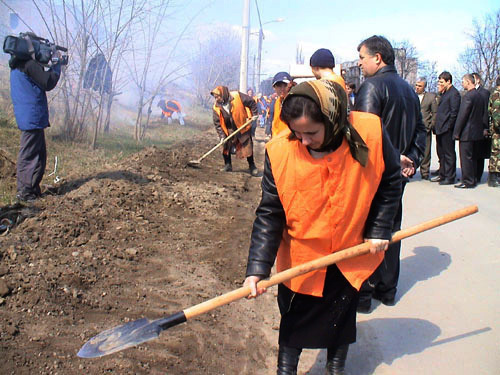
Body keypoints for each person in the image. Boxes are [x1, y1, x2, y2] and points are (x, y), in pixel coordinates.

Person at [244, 79, 401, 375]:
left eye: (311, 132)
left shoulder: (369, 132)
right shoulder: (279, 150)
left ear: (334, 119)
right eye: (296, 132)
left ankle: (335, 368)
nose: (303, 141)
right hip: (301, 256)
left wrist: (380, 227)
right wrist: (257, 269)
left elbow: (390, 179)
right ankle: (286, 370)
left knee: (340, 317)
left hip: (348, 250)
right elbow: (270, 213)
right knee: (295, 319)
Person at [354, 35, 426, 313]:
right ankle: (387, 289)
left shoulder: (371, 88)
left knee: (369, 230)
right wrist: (410, 161)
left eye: (362, 58)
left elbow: (364, 138)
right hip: (398, 175)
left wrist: (396, 160)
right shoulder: (409, 90)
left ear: (378, 58)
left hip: (374, 173)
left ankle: (364, 291)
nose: (359, 63)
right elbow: (421, 132)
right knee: (392, 227)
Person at [9, 47, 62, 202]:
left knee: (38, 155)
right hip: (32, 117)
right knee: (30, 155)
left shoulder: (18, 65)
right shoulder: (29, 65)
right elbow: (48, 81)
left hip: (30, 116)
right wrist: (57, 64)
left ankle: (32, 190)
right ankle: (25, 192)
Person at [211, 86, 259, 176]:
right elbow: (217, 123)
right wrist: (221, 136)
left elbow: (251, 102)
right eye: (215, 97)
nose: (217, 99)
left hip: (241, 125)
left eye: (218, 96)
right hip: (228, 128)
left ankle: (252, 166)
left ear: (223, 94)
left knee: (247, 145)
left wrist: (255, 114)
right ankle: (228, 165)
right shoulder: (216, 107)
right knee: (225, 146)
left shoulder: (237, 96)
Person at [453, 74, 488, 188]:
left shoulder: (468, 96)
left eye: (463, 81)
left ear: (468, 82)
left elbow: (462, 115)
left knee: (466, 158)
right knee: (473, 158)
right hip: (477, 132)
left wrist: (456, 132)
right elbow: (484, 115)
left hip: (467, 133)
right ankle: (473, 179)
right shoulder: (480, 95)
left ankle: (467, 181)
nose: (462, 84)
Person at [432, 71, 461, 185]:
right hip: (440, 128)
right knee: (441, 153)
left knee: (448, 154)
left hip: (447, 129)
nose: (440, 84)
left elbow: (454, 112)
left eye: (442, 82)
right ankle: (442, 174)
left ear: (448, 81)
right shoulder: (444, 93)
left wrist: (449, 126)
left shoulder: (454, 94)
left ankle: (450, 176)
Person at [415, 78, 438, 180]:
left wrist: (431, 125)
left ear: (424, 87)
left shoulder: (430, 97)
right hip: (413, 128)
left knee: (426, 151)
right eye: (416, 85)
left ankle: (425, 172)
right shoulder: (412, 95)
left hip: (425, 127)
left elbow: (435, 113)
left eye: (419, 86)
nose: (417, 87)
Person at [472, 73, 492, 182]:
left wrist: (485, 127)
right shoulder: (471, 92)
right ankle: (473, 174)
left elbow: (486, 111)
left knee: (479, 153)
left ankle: (477, 176)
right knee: (473, 152)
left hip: (481, 126)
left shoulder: (484, 93)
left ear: (478, 80)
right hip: (472, 127)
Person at [271, 72, 295, 138]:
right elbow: (275, 124)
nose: (282, 89)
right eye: (279, 85)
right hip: (279, 142)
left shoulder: (295, 101)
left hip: (292, 142)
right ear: (274, 87)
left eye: (285, 85)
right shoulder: (277, 102)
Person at [487, 77, 500, 187]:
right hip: (497, 131)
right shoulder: (497, 94)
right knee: (496, 153)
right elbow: (496, 116)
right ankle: (493, 177)